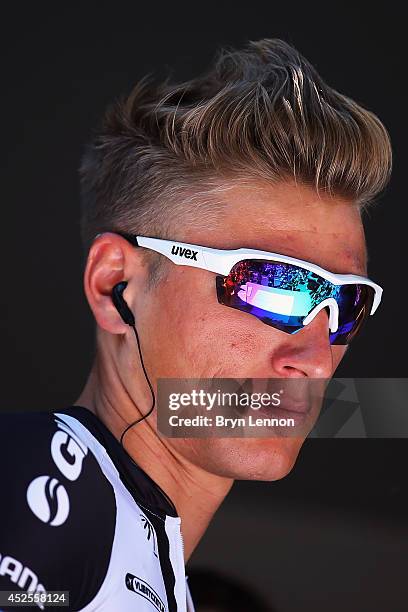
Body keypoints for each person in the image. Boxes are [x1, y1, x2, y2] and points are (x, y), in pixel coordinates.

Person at [0, 37, 392, 611]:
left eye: (346, 305)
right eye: (272, 286)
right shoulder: (50, 476)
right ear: (116, 286)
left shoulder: (141, 565)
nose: (314, 357)